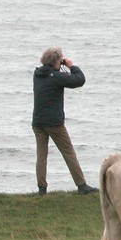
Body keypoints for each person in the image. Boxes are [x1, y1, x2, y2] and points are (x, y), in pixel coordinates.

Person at [32, 47, 99, 196]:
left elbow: (55, 76)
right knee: (68, 152)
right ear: (56, 61)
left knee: (41, 155)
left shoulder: (37, 75)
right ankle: (82, 185)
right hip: (54, 122)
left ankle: (42, 188)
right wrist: (71, 65)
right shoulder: (56, 77)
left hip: (37, 121)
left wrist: (59, 66)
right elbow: (79, 80)